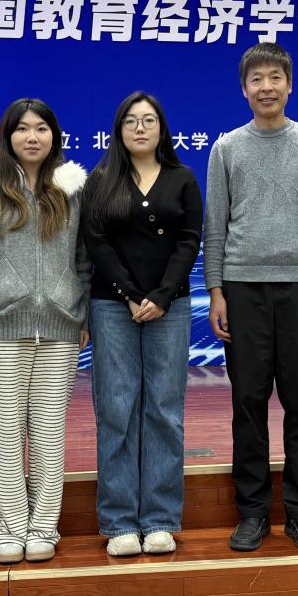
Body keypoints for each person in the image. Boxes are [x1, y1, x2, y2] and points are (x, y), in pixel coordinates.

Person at [204, 42, 298, 555]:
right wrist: (216, 291)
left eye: (275, 78)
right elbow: (215, 228)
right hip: (242, 289)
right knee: (248, 404)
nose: (266, 87)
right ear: (244, 89)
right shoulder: (226, 149)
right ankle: (253, 513)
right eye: (256, 79)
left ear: (290, 85)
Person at [0, 98, 90, 564]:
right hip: (0, 328)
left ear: (55, 136)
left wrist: (82, 317)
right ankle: (10, 529)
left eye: (41, 128)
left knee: (50, 434)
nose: (32, 137)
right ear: (7, 136)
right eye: (22, 129)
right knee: (7, 435)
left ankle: (43, 527)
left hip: (60, 328)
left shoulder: (73, 188)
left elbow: (84, 260)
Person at [82, 91, 202, 557]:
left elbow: (189, 240)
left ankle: (159, 519)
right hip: (113, 307)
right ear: (118, 129)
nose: (140, 128)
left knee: (164, 411)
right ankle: (118, 522)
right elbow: (97, 243)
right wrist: (132, 294)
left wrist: (162, 295)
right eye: (131, 120)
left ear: (162, 128)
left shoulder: (182, 178)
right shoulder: (101, 179)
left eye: (149, 120)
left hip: (170, 308)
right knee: (117, 409)